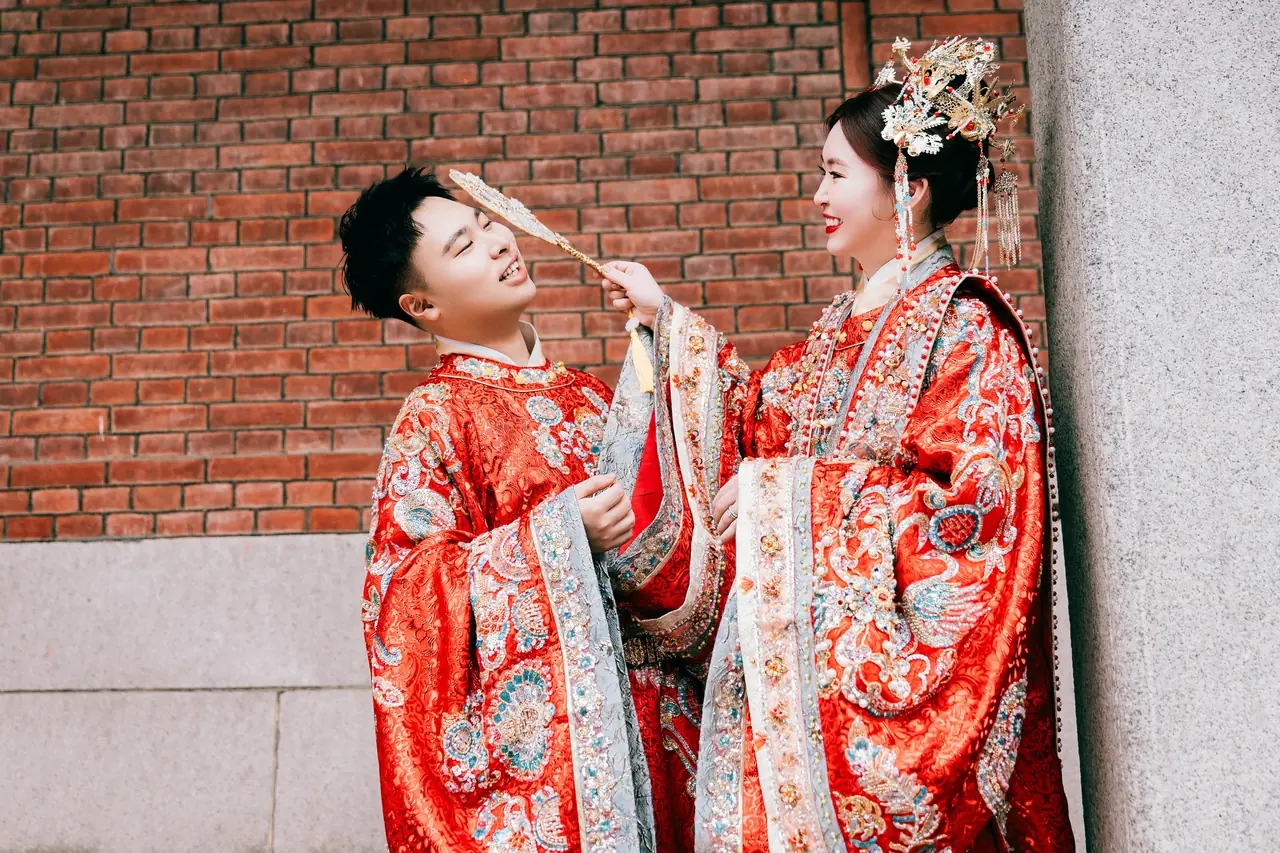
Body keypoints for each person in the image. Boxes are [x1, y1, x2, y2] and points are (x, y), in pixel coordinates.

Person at [599, 38, 1081, 852]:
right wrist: (665, 323)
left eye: (834, 173)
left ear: (908, 188)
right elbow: (751, 423)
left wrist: (790, 498)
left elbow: (974, 516)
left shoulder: (968, 328)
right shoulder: (832, 335)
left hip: (888, 707)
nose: (818, 194)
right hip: (807, 697)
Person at [340, 166, 659, 852]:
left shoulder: (590, 395)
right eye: (463, 246)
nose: (498, 243)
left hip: (657, 732)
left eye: (487, 225)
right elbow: (404, 598)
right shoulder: (434, 418)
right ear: (422, 305)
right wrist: (559, 536)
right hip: (563, 769)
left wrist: (663, 331)